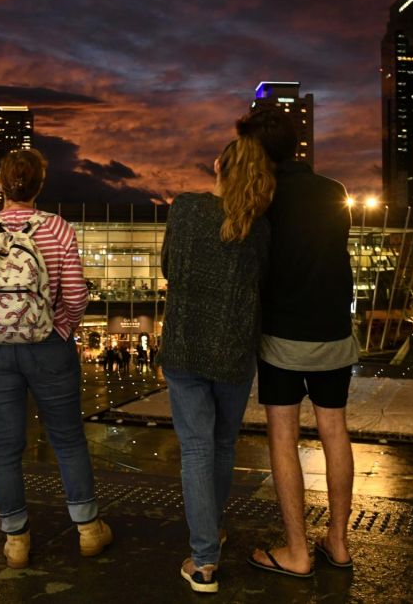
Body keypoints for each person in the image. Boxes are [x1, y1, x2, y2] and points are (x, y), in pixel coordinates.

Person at [0, 149, 113, 569]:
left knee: (4, 447)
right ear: (40, 185)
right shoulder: (56, 229)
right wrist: (58, 329)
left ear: (1, 185)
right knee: (68, 438)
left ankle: (17, 540)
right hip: (47, 348)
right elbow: (75, 296)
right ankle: (88, 529)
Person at [239, 107, 358, 577]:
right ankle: (339, 541)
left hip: (282, 336)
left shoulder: (265, 197)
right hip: (332, 331)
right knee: (335, 431)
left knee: (283, 439)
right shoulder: (334, 191)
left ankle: (297, 551)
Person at [160, 132, 275, 594]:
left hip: (185, 347)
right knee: (222, 444)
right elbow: (261, 282)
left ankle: (205, 559)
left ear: (218, 168)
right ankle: (214, 532)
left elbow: (169, 267)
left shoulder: (185, 209)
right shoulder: (260, 227)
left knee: (196, 448)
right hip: (233, 350)